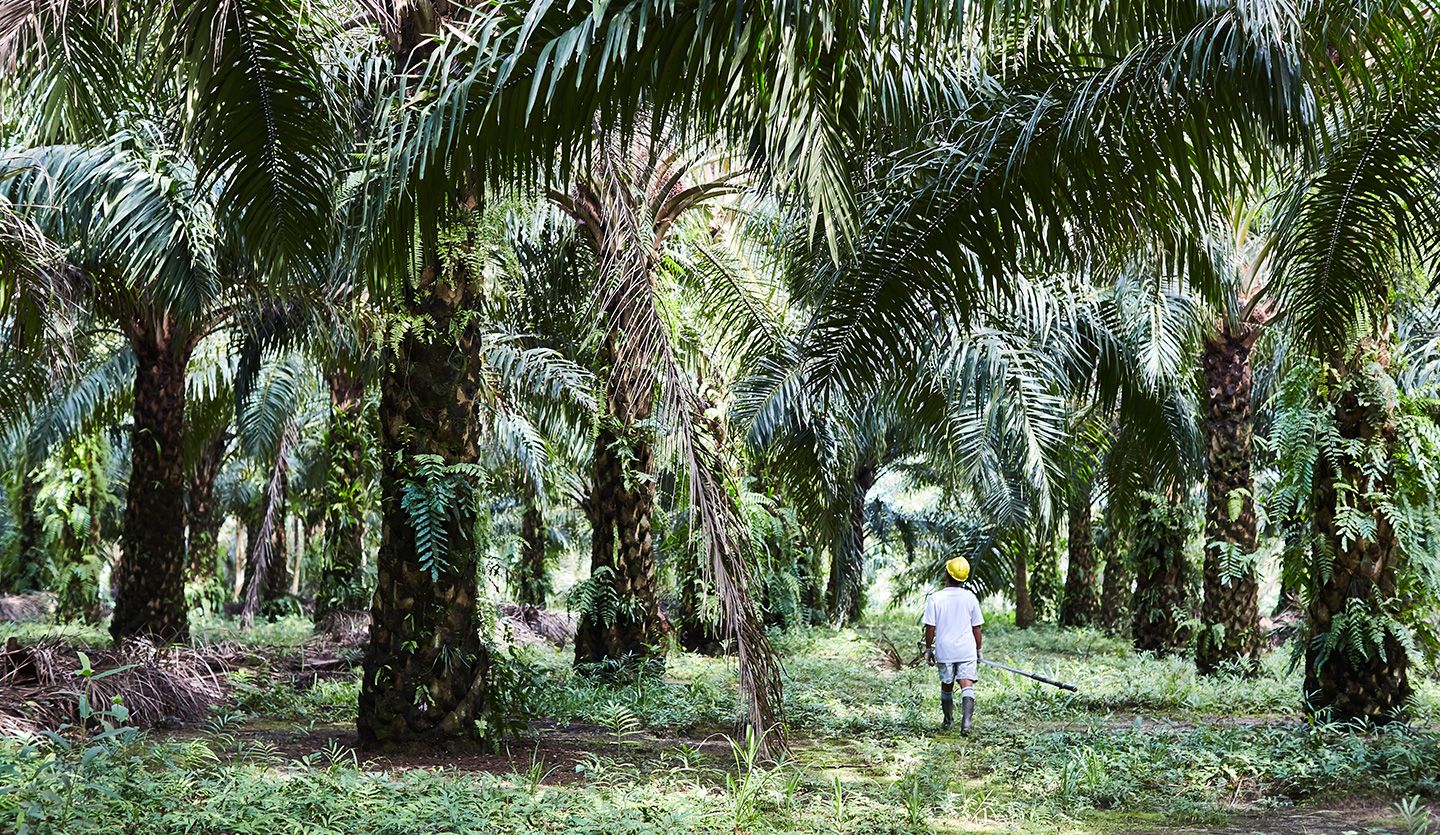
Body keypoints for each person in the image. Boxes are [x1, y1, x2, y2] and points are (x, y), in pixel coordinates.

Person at [921, 557, 984, 732]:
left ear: (947, 574)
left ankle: (948, 721)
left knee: (947, 685)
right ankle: (967, 723)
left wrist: (928, 648)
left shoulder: (936, 598)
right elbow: (977, 628)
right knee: (967, 684)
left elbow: (930, 627)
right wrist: (979, 651)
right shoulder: (970, 597)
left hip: (945, 649)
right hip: (966, 649)